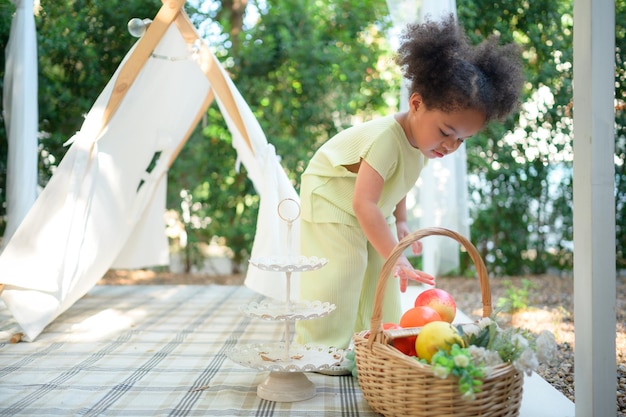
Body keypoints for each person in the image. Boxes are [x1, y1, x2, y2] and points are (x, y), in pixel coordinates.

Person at [294, 16, 524, 359]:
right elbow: (363, 203)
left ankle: (377, 342)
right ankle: (318, 349)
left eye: (462, 139)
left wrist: (400, 222)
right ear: (416, 104)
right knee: (344, 271)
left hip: (368, 205)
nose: (451, 146)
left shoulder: (425, 142)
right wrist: (397, 253)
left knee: (382, 278)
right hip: (332, 198)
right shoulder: (386, 140)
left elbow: (395, 182)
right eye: (447, 132)